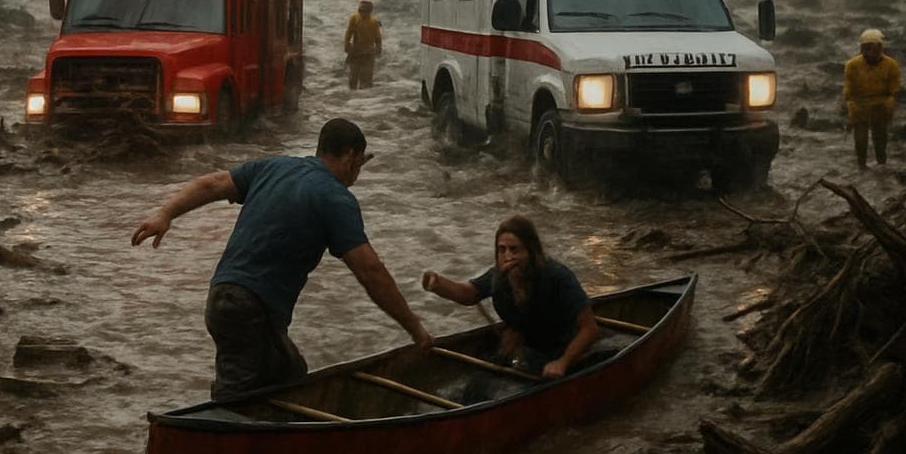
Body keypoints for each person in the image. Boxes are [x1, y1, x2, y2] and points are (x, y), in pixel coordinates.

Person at [132, 118, 433, 399]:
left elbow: (211, 183)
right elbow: (371, 272)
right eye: (360, 165)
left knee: (291, 376)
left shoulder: (274, 167)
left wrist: (165, 214)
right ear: (351, 157)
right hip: (252, 309)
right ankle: (208, 446)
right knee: (234, 403)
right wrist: (415, 329)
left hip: (221, 297)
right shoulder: (335, 198)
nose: (357, 174)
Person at [418, 216, 597, 379]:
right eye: (502, 250)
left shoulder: (557, 277)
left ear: (531, 252)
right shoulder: (499, 276)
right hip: (530, 349)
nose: (508, 257)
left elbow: (589, 329)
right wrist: (438, 284)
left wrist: (563, 362)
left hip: (564, 348)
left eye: (514, 250)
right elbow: (469, 294)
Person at [843, 28, 901, 168]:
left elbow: (894, 89)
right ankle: (861, 167)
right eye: (865, 47)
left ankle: (882, 165)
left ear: (880, 47)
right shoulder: (852, 65)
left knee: (880, 139)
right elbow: (848, 90)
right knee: (861, 141)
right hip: (860, 106)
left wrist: (890, 103)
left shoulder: (891, 65)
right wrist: (851, 107)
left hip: (880, 106)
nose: (868, 51)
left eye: (872, 47)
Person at [344, 0, 383, 90]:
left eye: (364, 11)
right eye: (360, 10)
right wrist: (347, 45)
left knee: (366, 81)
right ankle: (352, 99)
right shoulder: (354, 18)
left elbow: (378, 38)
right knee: (352, 79)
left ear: (370, 11)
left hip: (368, 54)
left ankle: (365, 101)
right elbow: (348, 33)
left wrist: (378, 48)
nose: (362, 13)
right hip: (355, 52)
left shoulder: (373, 22)